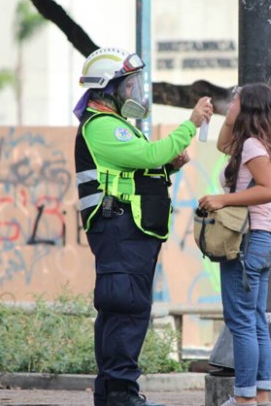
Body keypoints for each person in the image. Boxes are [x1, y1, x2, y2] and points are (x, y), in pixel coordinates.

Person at [74, 47, 213, 406]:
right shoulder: (103, 125)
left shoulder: (116, 127)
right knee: (126, 306)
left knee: (119, 307)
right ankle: (121, 393)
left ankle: (111, 393)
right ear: (108, 89)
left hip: (126, 231)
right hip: (120, 230)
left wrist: (169, 168)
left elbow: (134, 172)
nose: (134, 92)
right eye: (129, 85)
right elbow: (151, 154)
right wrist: (192, 123)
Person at [198, 83, 271, 406]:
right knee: (255, 320)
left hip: (246, 241)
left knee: (241, 322)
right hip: (262, 241)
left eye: (235, 100)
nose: (230, 103)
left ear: (248, 107)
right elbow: (223, 143)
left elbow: (269, 190)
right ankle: (259, 396)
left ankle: (244, 399)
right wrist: (226, 116)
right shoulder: (258, 143)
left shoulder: (253, 146)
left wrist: (223, 199)